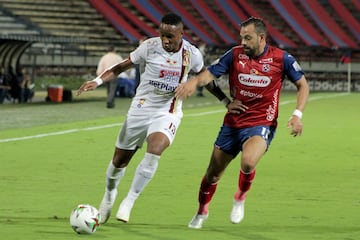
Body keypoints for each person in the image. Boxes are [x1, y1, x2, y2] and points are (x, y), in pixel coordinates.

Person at [175, 17, 310, 229]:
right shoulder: (234, 54)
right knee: (212, 174)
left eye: (248, 38)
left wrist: (297, 115)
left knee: (248, 162)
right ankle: (201, 211)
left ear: (261, 37)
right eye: (241, 37)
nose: (243, 42)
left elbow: (303, 85)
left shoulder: (282, 59)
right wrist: (194, 82)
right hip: (233, 124)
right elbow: (209, 73)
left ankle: (240, 197)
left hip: (261, 122)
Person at [76, 13, 206, 224]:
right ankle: (110, 194)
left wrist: (226, 101)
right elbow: (120, 67)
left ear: (182, 34)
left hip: (168, 111)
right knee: (119, 161)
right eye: (162, 35)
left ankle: (129, 200)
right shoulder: (149, 47)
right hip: (141, 108)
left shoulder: (192, 54)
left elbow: (205, 77)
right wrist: (97, 81)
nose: (165, 40)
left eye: (170, 36)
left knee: (155, 150)